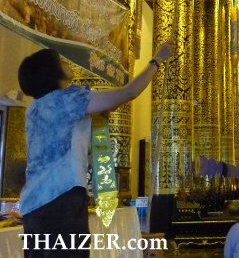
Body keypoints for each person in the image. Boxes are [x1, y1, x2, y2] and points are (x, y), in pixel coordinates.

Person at [18, 43, 173, 258]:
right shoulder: (66, 100)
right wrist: (157, 61)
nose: (66, 63)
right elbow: (129, 92)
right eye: (60, 61)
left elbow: (106, 107)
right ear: (50, 72)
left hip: (34, 207)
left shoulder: (35, 108)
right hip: (61, 202)